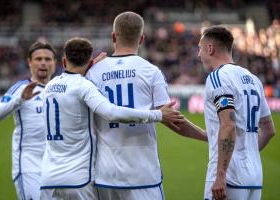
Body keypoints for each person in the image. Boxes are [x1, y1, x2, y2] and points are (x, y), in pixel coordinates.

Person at [40, 37, 182, 200]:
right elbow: (112, 112)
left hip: (47, 178)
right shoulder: (84, 86)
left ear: (64, 61)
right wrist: (158, 115)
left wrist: (91, 66)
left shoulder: (49, 86)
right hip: (78, 179)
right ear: (88, 61)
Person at [86, 11, 207, 200]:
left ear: (113, 37)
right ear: (141, 38)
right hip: (143, 175)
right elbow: (174, 121)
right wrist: (208, 136)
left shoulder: (92, 73)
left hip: (105, 175)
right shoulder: (151, 72)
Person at [198, 25, 276, 200]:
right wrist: (248, 154)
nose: (198, 55)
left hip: (229, 177)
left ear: (210, 49)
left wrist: (220, 175)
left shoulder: (218, 77)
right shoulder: (254, 79)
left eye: (200, 48)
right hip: (254, 176)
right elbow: (269, 130)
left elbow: (228, 124)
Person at [0, 41, 57, 200]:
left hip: (55, 166)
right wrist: (20, 99)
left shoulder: (58, 88)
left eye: (48, 59)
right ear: (29, 62)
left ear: (55, 63)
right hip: (28, 167)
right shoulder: (20, 88)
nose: (43, 62)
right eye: (38, 58)